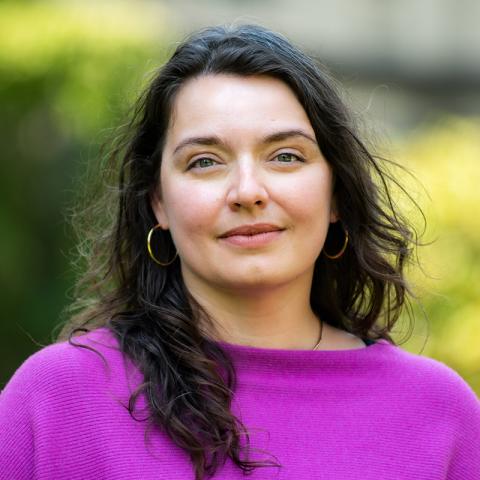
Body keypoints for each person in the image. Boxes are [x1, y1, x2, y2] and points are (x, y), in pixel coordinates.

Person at [1, 23, 479, 480]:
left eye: (285, 156)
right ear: (158, 203)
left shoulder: (440, 413)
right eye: (205, 162)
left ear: (336, 192)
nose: (247, 191)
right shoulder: (56, 400)